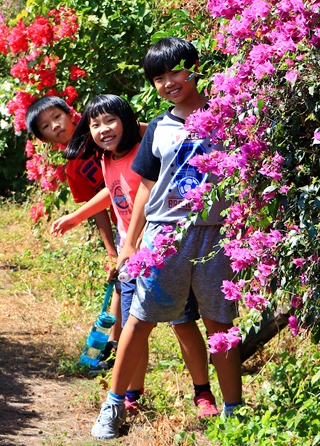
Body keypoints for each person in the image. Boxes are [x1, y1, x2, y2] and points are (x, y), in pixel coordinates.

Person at [91, 38, 242, 440]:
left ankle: (233, 411)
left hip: (214, 234)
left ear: (194, 67)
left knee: (219, 323)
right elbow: (145, 187)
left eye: (175, 71)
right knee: (138, 321)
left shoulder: (227, 115)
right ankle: (113, 406)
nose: (169, 82)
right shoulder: (159, 126)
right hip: (166, 235)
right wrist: (130, 242)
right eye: (159, 78)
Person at [53, 94, 212, 416]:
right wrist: (75, 217)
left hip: (161, 249)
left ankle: (203, 392)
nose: (103, 129)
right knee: (132, 328)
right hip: (130, 256)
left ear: (127, 121)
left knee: (182, 322)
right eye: (95, 124)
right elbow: (113, 192)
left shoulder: (146, 148)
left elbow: (151, 139)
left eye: (111, 120)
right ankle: (132, 394)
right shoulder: (105, 158)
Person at [25, 96, 118, 361]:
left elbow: (123, 178)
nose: (54, 125)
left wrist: (74, 217)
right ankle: (112, 346)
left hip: (152, 210)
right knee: (123, 284)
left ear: (70, 113)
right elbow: (98, 209)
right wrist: (111, 252)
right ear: (43, 139)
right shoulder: (73, 169)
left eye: (57, 116)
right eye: (45, 126)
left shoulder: (100, 134)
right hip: (123, 222)